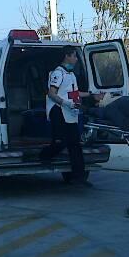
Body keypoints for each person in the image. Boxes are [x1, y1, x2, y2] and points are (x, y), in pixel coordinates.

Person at [40, 46, 100, 185]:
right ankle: (44, 156)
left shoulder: (71, 75)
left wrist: (91, 95)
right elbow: (51, 93)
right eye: (74, 56)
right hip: (58, 110)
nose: (76, 59)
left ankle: (78, 176)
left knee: (74, 143)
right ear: (67, 56)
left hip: (70, 112)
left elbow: (74, 93)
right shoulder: (58, 73)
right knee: (61, 141)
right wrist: (66, 103)